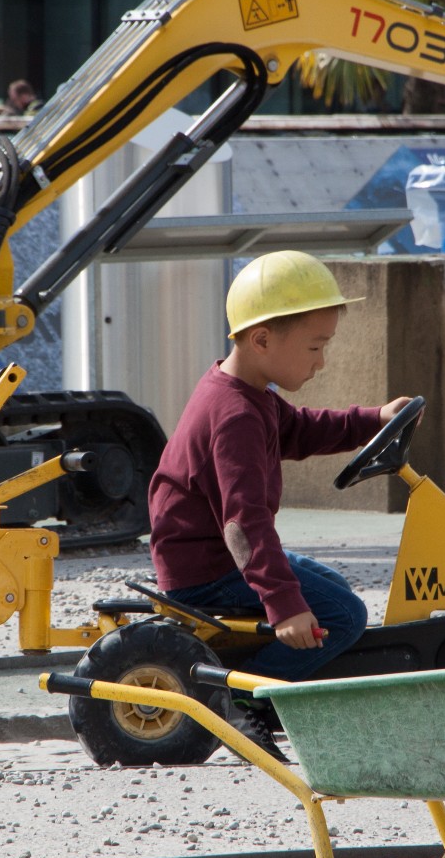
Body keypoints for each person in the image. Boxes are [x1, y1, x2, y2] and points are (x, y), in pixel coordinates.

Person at [150, 251, 415, 680]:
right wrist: (283, 605)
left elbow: (301, 430)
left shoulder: (249, 394)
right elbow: (244, 524)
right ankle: (243, 699)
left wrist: (374, 418)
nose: (320, 361)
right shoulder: (235, 415)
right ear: (262, 339)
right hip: (207, 570)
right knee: (345, 614)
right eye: (315, 347)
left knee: (333, 591)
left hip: (216, 555)